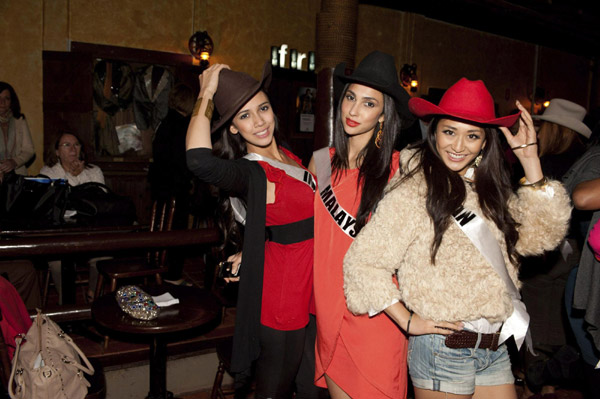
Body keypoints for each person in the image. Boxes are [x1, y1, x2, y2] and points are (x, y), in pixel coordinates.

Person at [343, 78, 572, 399]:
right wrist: (407, 321)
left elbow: (543, 236)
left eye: (472, 136)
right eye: (450, 132)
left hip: (494, 347)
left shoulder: (491, 189)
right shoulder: (415, 189)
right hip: (442, 349)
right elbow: (363, 262)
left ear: (485, 143)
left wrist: (530, 159)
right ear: (434, 133)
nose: (459, 145)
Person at [310, 51, 461, 399]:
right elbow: (308, 230)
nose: (353, 110)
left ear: (383, 115)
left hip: (377, 319)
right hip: (330, 314)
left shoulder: (400, 170)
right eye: (350, 98)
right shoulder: (320, 162)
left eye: (368, 103)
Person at [186, 62, 323, 399]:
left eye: (263, 108)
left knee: (310, 388)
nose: (260, 121)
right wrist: (205, 93)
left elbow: (290, 220)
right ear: (232, 128)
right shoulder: (252, 173)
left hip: (312, 289)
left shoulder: (292, 158)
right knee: (274, 391)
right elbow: (199, 161)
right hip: (284, 294)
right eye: (245, 116)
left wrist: (254, 246)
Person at [517, 98, 591, 398]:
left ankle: (534, 380)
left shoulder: (546, 163)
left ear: (552, 130)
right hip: (576, 249)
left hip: (550, 250)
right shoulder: (584, 158)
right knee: (560, 313)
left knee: (534, 311)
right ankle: (550, 383)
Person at [40, 132, 107, 303]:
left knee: (104, 255)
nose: (72, 149)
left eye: (76, 144)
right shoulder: (48, 173)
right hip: (61, 235)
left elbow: (102, 203)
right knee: (57, 261)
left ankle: (94, 296)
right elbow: (55, 207)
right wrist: (72, 177)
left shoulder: (94, 171)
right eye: (66, 145)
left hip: (90, 234)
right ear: (56, 151)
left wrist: (79, 176)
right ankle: (66, 305)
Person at [148, 83, 196, 286]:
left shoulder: (165, 122)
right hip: (176, 187)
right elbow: (184, 160)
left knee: (163, 232)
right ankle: (173, 276)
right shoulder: (183, 125)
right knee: (177, 233)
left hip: (160, 186)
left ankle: (160, 270)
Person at [0, 82, 35, 178]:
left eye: (6, 98)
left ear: (12, 101)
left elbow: (29, 150)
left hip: (17, 176)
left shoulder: (19, 120)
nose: (2, 102)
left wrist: (14, 162)